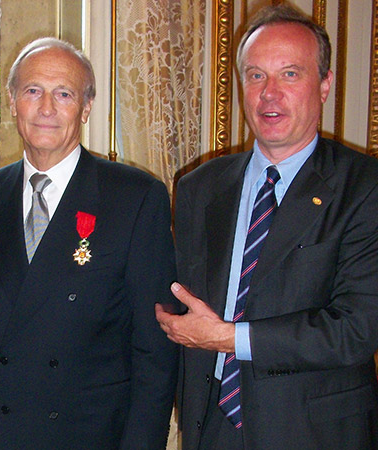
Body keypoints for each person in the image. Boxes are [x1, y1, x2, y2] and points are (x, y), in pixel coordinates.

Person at [156, 4, 378, 450]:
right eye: (256, 76)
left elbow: (357, 329)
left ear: (325, 84)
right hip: (212, 424)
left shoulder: (364, 187)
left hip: (314, 432)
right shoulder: (199, 186)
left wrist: (226, 338)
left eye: (290, 74)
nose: (269, 94)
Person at [0, 37, 178, 449]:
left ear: (87, 106)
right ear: (12, 100)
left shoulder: (134, 197)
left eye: (64, 94)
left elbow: (154, 348)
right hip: (0, 433)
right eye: (32, 91)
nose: (46, 109)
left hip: (91, 434)